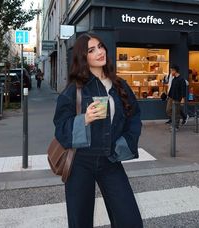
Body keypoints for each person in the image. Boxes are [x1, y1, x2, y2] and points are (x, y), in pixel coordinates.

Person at [53, 33, 143, 228]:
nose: (100, 52)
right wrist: (83, 120)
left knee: (130, 220)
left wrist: (124, 144)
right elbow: (60, 128)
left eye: (101, 47)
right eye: (91, 50)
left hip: (110, 158)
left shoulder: (119, 85)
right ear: (83, 57)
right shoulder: (74, 89)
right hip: (80, 161)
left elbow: (134, 117)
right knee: (80, 220)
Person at [166, 65, 187, 130]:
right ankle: (175, 121)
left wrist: (183, 99)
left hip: (177, 98)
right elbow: (172, 89)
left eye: (171, 71)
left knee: (176, 112)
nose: (170, 72)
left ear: (174, 71)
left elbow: (183, 89)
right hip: (171, 97)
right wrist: (168, 96)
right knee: (168, 110)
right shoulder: (174, 79)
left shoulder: (181, 79)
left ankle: (175, 126)